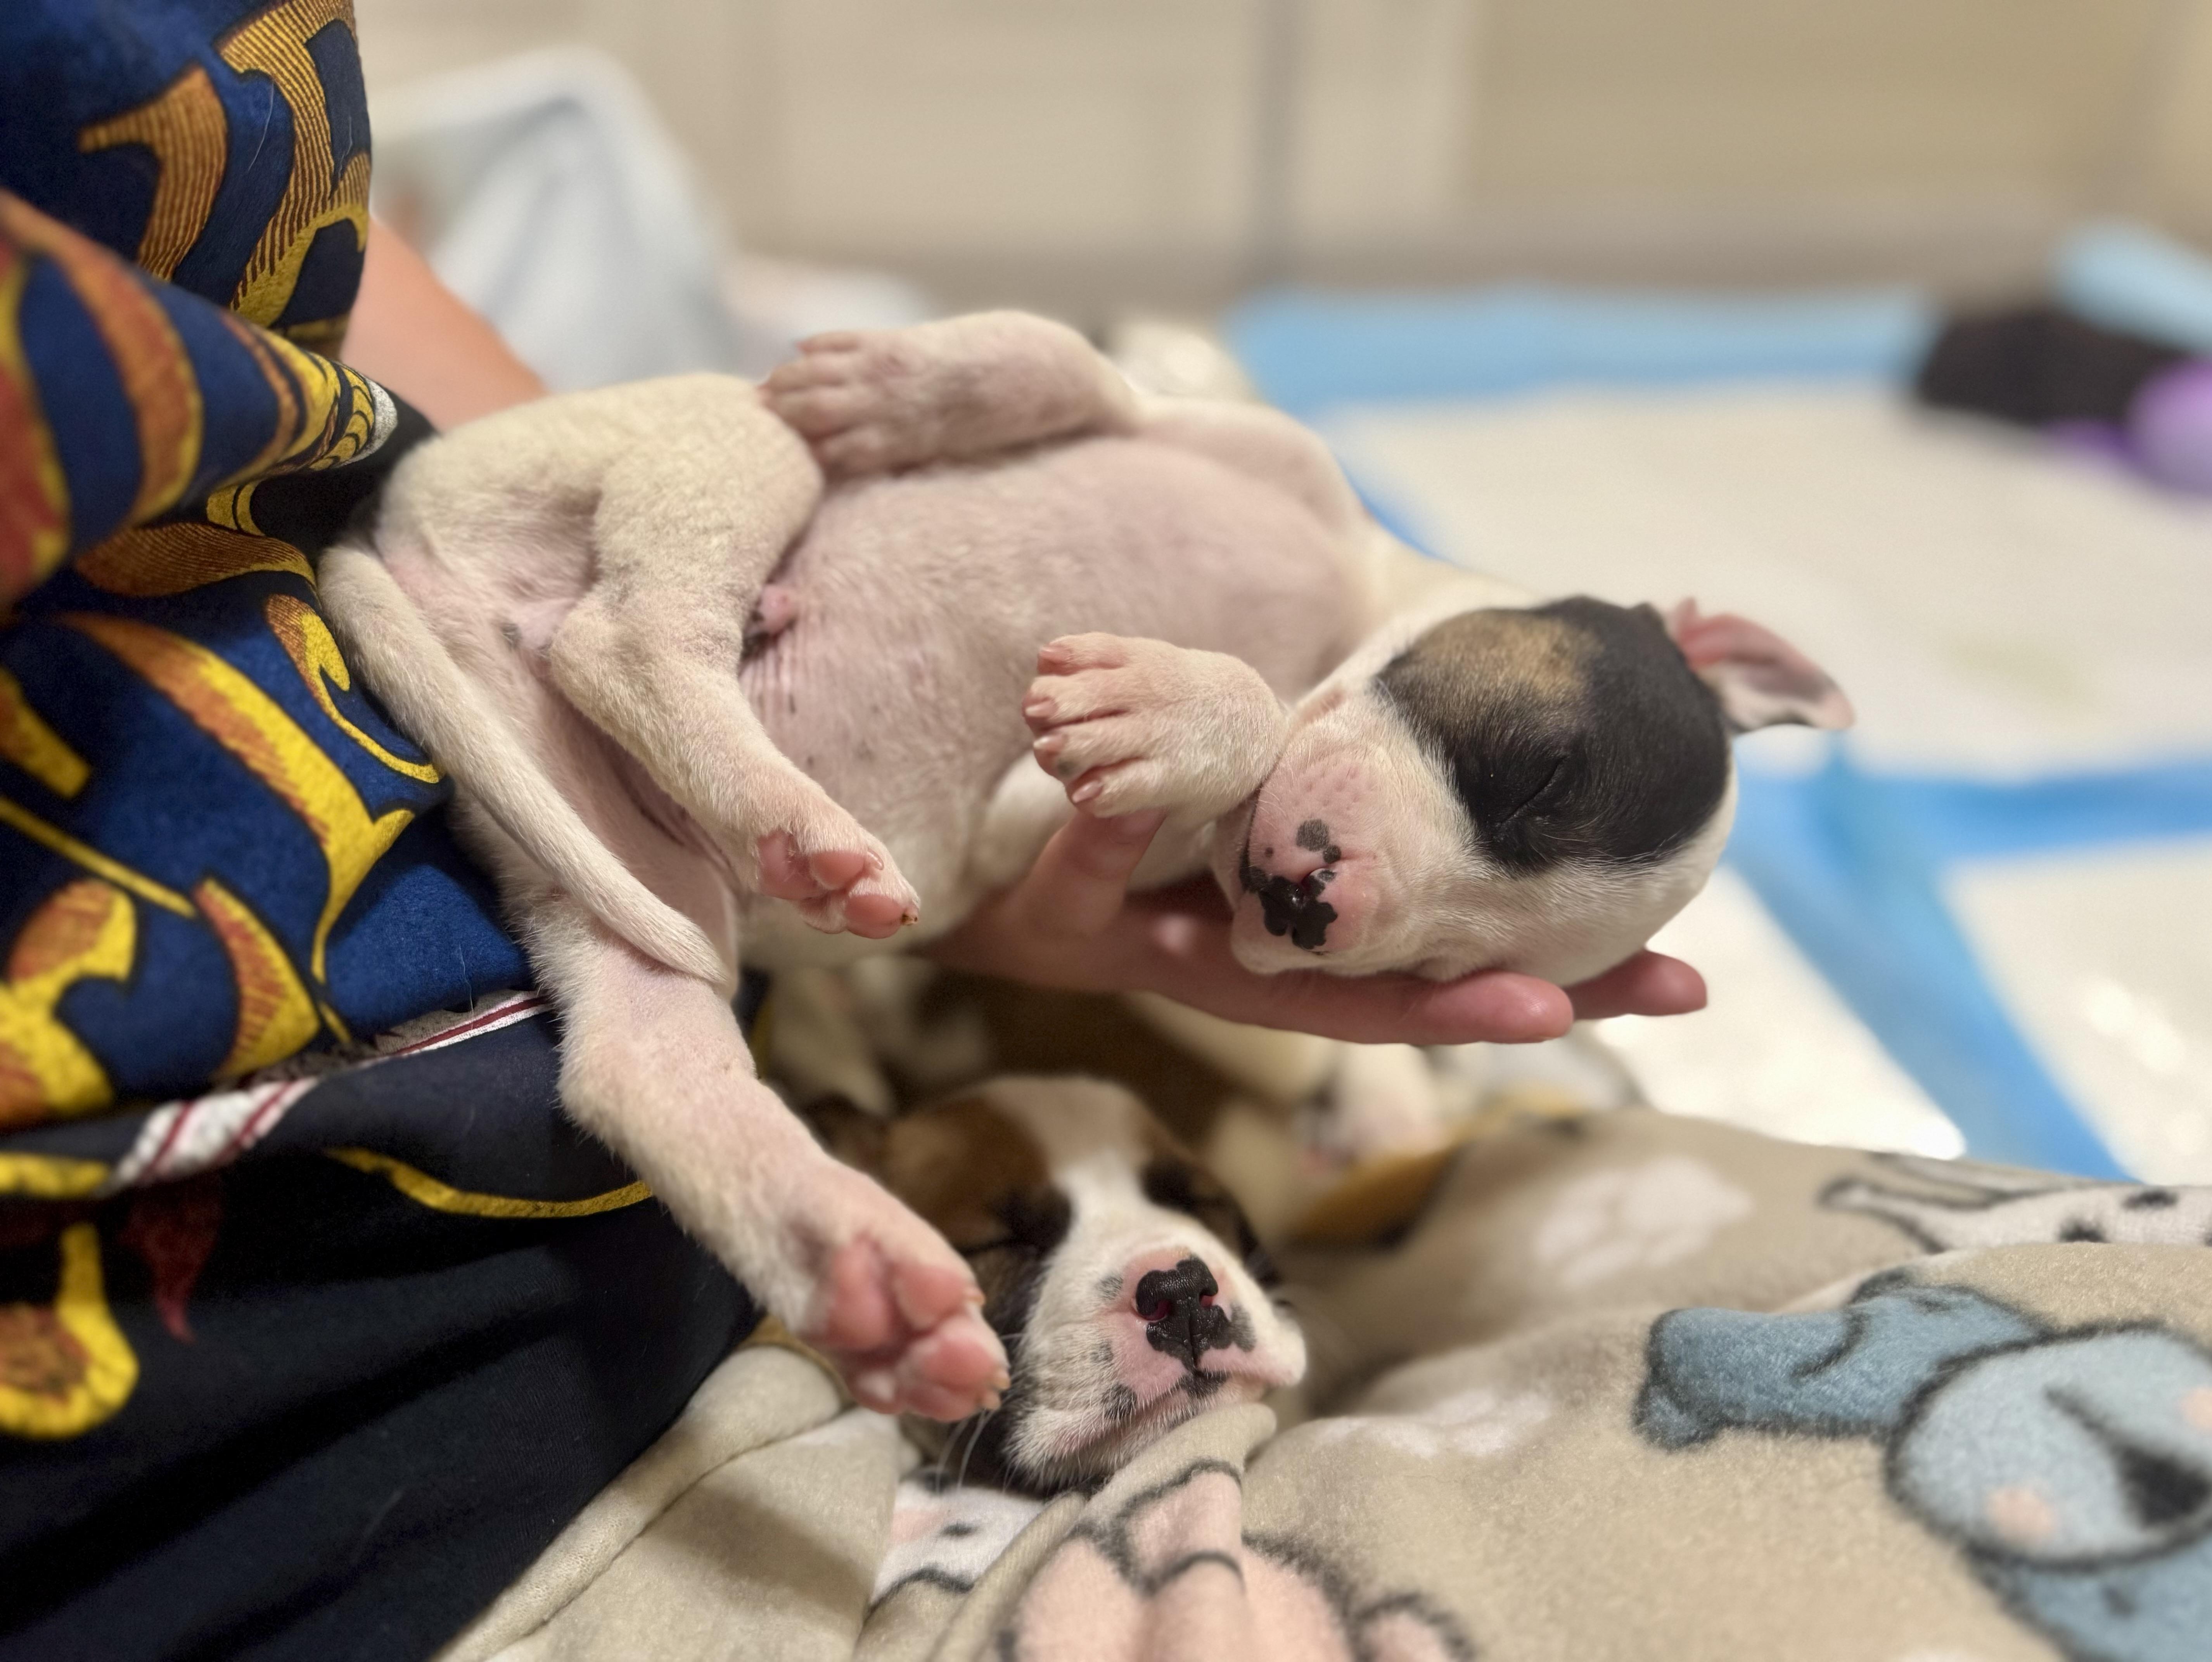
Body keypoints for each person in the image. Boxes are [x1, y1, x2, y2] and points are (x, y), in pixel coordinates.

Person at [0, 6, 1699, 1658]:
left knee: (655, 992)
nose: (1371, 890)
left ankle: (783, 1166)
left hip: (622, 1038)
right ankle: (662, 676)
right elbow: (1094, 389)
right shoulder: (1298, 509)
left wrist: (965, 897)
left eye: (1452, 930)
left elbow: (289, 237)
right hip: (302, 1370)